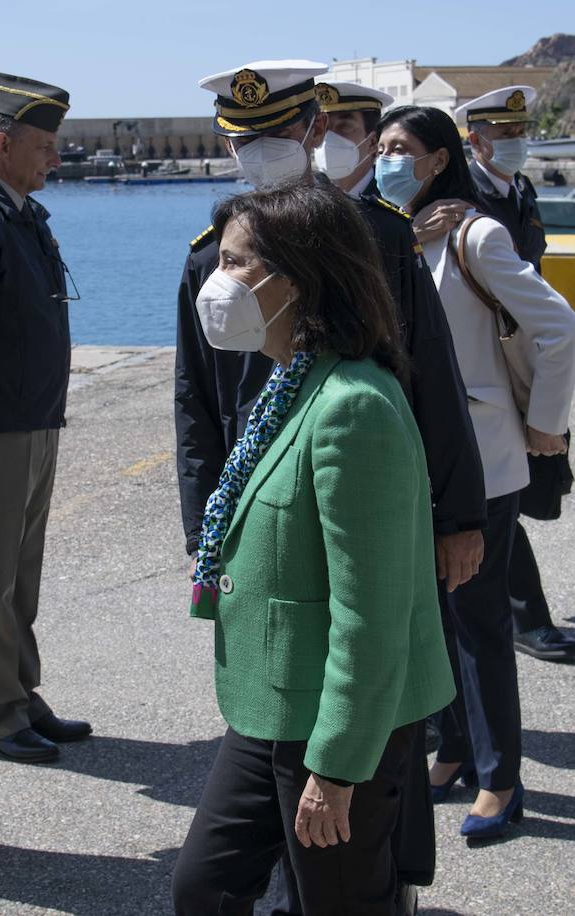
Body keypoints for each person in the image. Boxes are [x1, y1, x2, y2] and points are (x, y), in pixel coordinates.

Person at [174, 60, 484, 908]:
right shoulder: (220, 253)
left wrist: (458, 514)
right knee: (218, 884)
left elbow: (435, 388)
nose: (222, 283)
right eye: (243, 138)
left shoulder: (371, 251)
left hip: (347, 569)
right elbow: (198, 413)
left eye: (274, 133)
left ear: (311, 128)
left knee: (349, 873)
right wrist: (211, 543)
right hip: (273, 557)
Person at [376, 104, 575, 840]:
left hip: (485, 458)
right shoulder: (391, 232)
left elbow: (557, 326)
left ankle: (502, 779)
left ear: (436, 160)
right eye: (381, 147)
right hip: (411, 456)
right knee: (427, 616)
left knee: (478, 622)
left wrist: (544, 425)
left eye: (401, 148)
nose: (386, 159)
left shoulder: (476, 233)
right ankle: (454, 748)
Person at [0, 72, 90, 766]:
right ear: (2, 143)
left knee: (20, 574)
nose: (54, 159)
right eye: (44, 146)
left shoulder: (21, 215)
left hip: (35, 421)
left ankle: (20, 691)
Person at [454, 87, 574, 664]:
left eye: (519, 133)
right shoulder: (465, 199)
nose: (516, 143)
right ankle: (528, 620)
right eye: (504, 135)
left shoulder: (517, 188)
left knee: (524, 493)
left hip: (524, 360)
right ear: (475, 140)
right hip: (491, 366)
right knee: (500, 500)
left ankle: (524, 617)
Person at [312, 81, 392, 199]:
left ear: (373, 142)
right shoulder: (307, 199)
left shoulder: (393, 199)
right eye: (323, 128)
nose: (328, 138)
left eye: (344, 127)